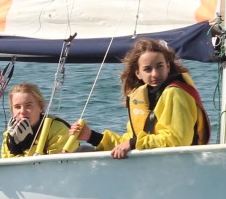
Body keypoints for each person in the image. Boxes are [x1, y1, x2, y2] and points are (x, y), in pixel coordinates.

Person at [71, 39, 210, 160]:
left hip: (178, 166)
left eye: (159, 66)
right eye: (148, 69)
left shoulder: (175, 93)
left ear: (168, 66)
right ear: (138, 73)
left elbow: (176, 140)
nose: (155, 74)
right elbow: (130, 140)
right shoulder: (146, 96)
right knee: (82, 150)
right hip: (154, 166)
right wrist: (91, 136)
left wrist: (133, 143)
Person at [0, 83, 78, 158]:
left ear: (40, 107)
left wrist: (29, 145)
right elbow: (12, 168)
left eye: (28, 106)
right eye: (17, 107)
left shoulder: (59, 130)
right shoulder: (10, 134)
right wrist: (14, 147)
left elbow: (51, 167)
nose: (22, 111)